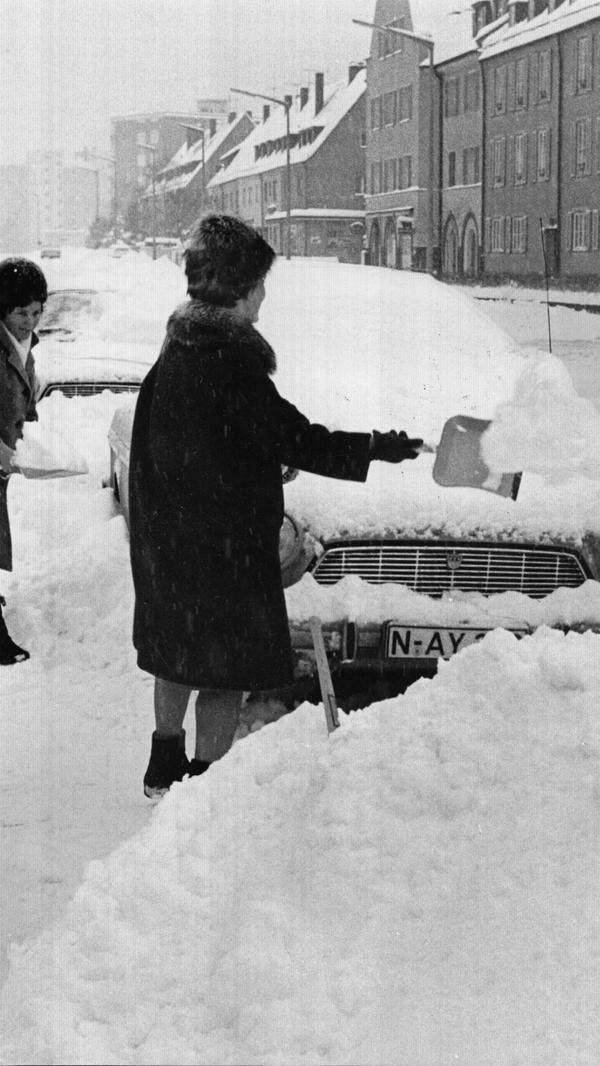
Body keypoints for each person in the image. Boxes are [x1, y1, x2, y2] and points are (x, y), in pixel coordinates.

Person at [129, 215, 423, 798]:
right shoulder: (231, 358)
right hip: (224, 545)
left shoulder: (179, 346)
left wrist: (253, 459)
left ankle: (164, 761)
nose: (264, 294)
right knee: (224, 670)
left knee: (178, 654)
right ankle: (203, 788)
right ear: (239, 286)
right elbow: (293, 436)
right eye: (259, 282)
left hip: (171, 537)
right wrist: (374, 448)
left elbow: (192, 439)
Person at [0, 258, 48, 665]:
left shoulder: (22, 343)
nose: (30, 320)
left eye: (36, 311)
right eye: (21, 312)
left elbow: (23, 395)